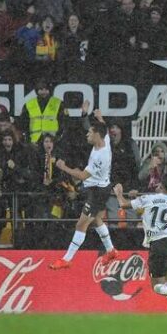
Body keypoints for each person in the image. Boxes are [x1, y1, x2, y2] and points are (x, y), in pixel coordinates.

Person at [50, 108, 119, 269]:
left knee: (81, 225)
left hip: (97, 191)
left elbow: (82, 176)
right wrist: (99, 117)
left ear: (97, 135)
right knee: (96, 220)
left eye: (89, 132)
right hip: (100, 187)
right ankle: (111, 250)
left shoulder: (99, 157)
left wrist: (63, 167)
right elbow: (104, 127)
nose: (87, 135)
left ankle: (67, 259)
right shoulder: (105, 139)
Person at [113, 175, 167, 313]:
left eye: (158, 185)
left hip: (158, 243)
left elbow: (123, 204)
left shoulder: (149, 198)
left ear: (162, 187)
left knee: (157, 286)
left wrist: (119, 194)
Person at [17, 78, 64, 143]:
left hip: (52, 142)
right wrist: (28, 139)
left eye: (46, 89)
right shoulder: (29, 104)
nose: (44, 92)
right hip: (34, 142)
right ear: (37, 91)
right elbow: (23, 124)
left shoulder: (58, 103)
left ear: (50, 90)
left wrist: (57, 138)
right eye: (41, 89)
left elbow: (63, 122)